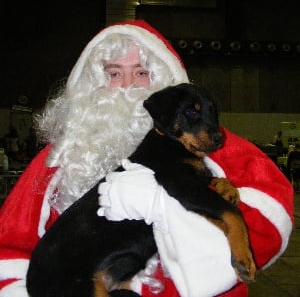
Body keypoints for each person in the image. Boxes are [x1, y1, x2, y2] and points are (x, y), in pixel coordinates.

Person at [0, 20, 294, 297]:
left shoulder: (211, 144)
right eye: (114, 73)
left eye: (141, 73)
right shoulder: (61, 157)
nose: (128, 85)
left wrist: (166, 209)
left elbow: (271, 218)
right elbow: (9, 246)